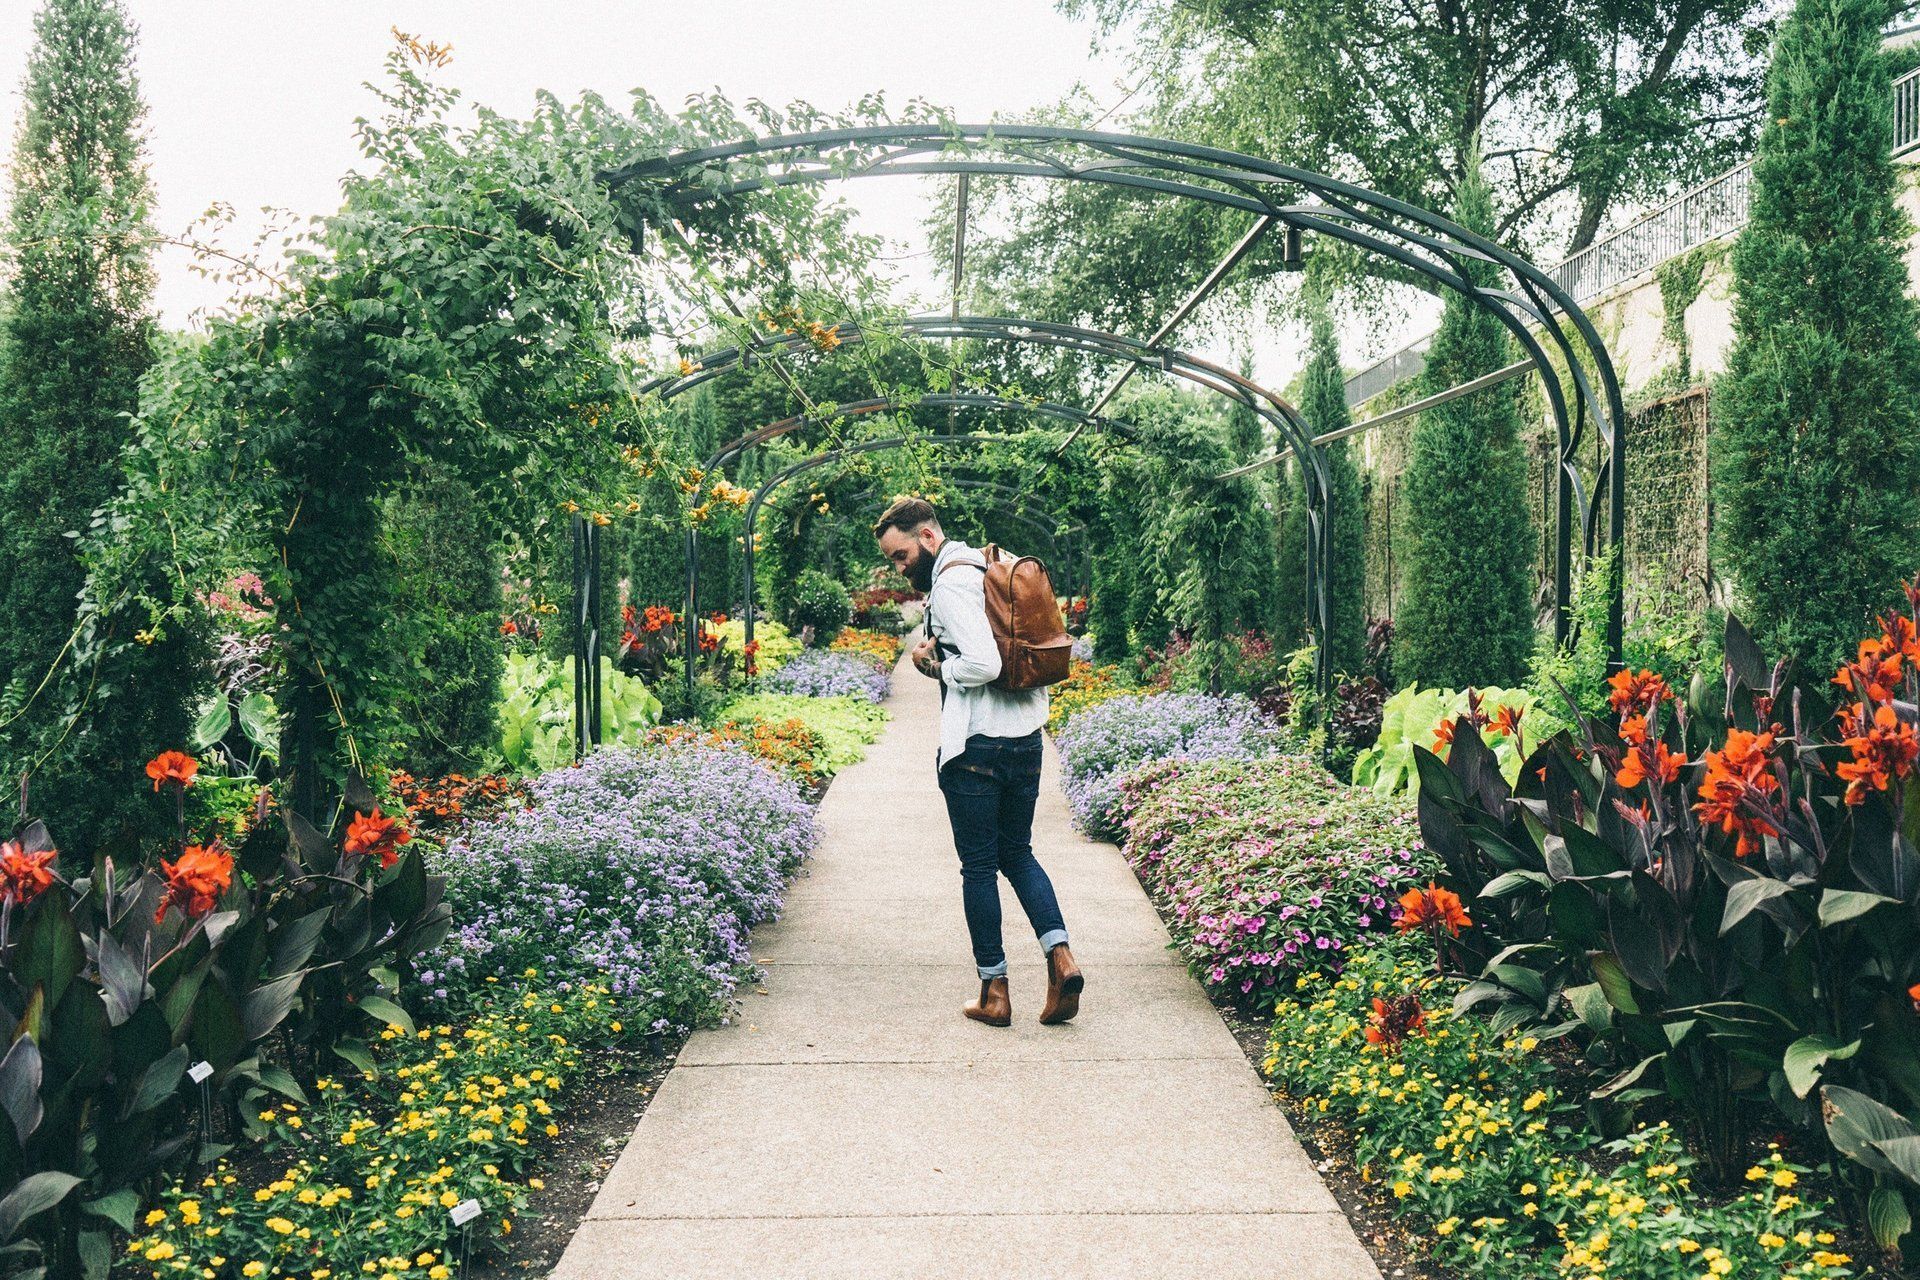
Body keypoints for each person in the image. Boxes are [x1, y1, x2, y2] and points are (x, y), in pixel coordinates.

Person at [871, 496, 1084, 1027]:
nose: (901, 570)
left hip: (976, 749)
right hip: (1025, 739)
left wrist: (935, 667)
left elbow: (984, 664)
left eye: (900, 557)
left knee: (979, 868)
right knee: (1019, 853)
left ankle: (994, 991)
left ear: (925, 538)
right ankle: (1061, 959)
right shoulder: (991, 560)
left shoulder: (949, 584)